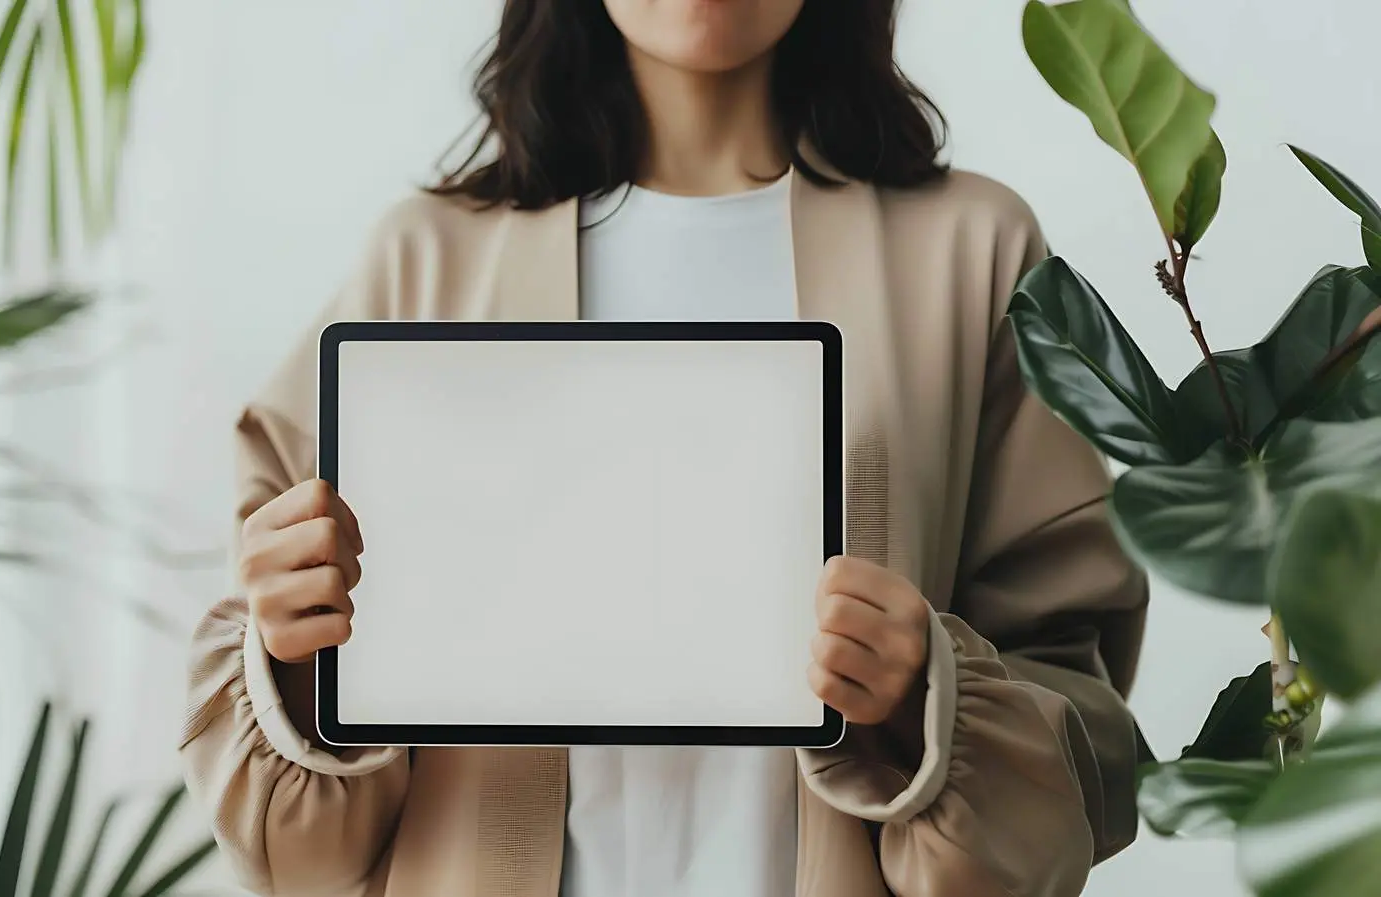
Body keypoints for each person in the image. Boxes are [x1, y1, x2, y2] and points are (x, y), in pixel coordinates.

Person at [179, 0, 1151, 895]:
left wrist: (921, 697)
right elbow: (290, 835)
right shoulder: (424, 259)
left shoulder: (971, 248)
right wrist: (295, 658)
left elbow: (1084, 716)